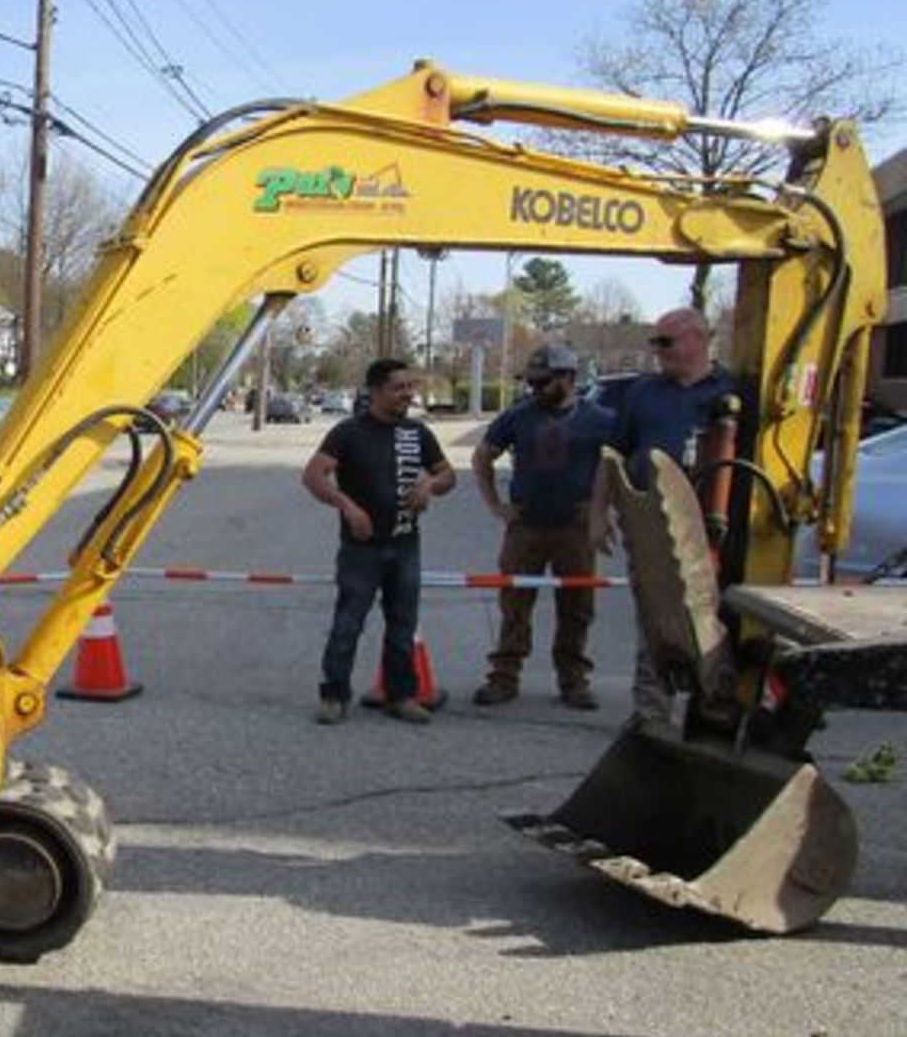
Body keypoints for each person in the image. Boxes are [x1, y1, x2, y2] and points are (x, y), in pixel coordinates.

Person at [590, 305, 738, 725]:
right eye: (655, 342)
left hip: (711, 530)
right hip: (652, 525)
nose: (658, 351)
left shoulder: (730, 394)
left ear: (698, 339)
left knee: (710, 623)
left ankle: (712, 713)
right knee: (655, 620)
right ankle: (651, 714)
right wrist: (597, 513)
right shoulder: (643, 392)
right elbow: (612, 454)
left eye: (665, 342)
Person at [302, 358, 457, 725]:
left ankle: (400, 695)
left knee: (403, 624)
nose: (408, 394)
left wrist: (430, 484)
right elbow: (313, 476)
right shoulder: (348, 432)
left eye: (410, 387)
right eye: (399, 388)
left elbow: (448, 475)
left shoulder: (418, 432)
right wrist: (346, 506)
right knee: (348, 623)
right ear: (375, 391)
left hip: (406, 545)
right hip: (361, 550)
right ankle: (334, 696)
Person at [470, 344, 616, 710]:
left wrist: (601, 514)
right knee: (514, 603)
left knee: (577, 606)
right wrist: (495, 505)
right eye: (532, 382)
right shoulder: (517, 417)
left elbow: (614, 468)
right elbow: (482, 456)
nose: (535, 388)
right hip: (526, 526)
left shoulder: (600, 420)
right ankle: (504, 677)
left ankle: (573, 680)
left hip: (576, 528)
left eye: (543, 381)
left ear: (568, 378)